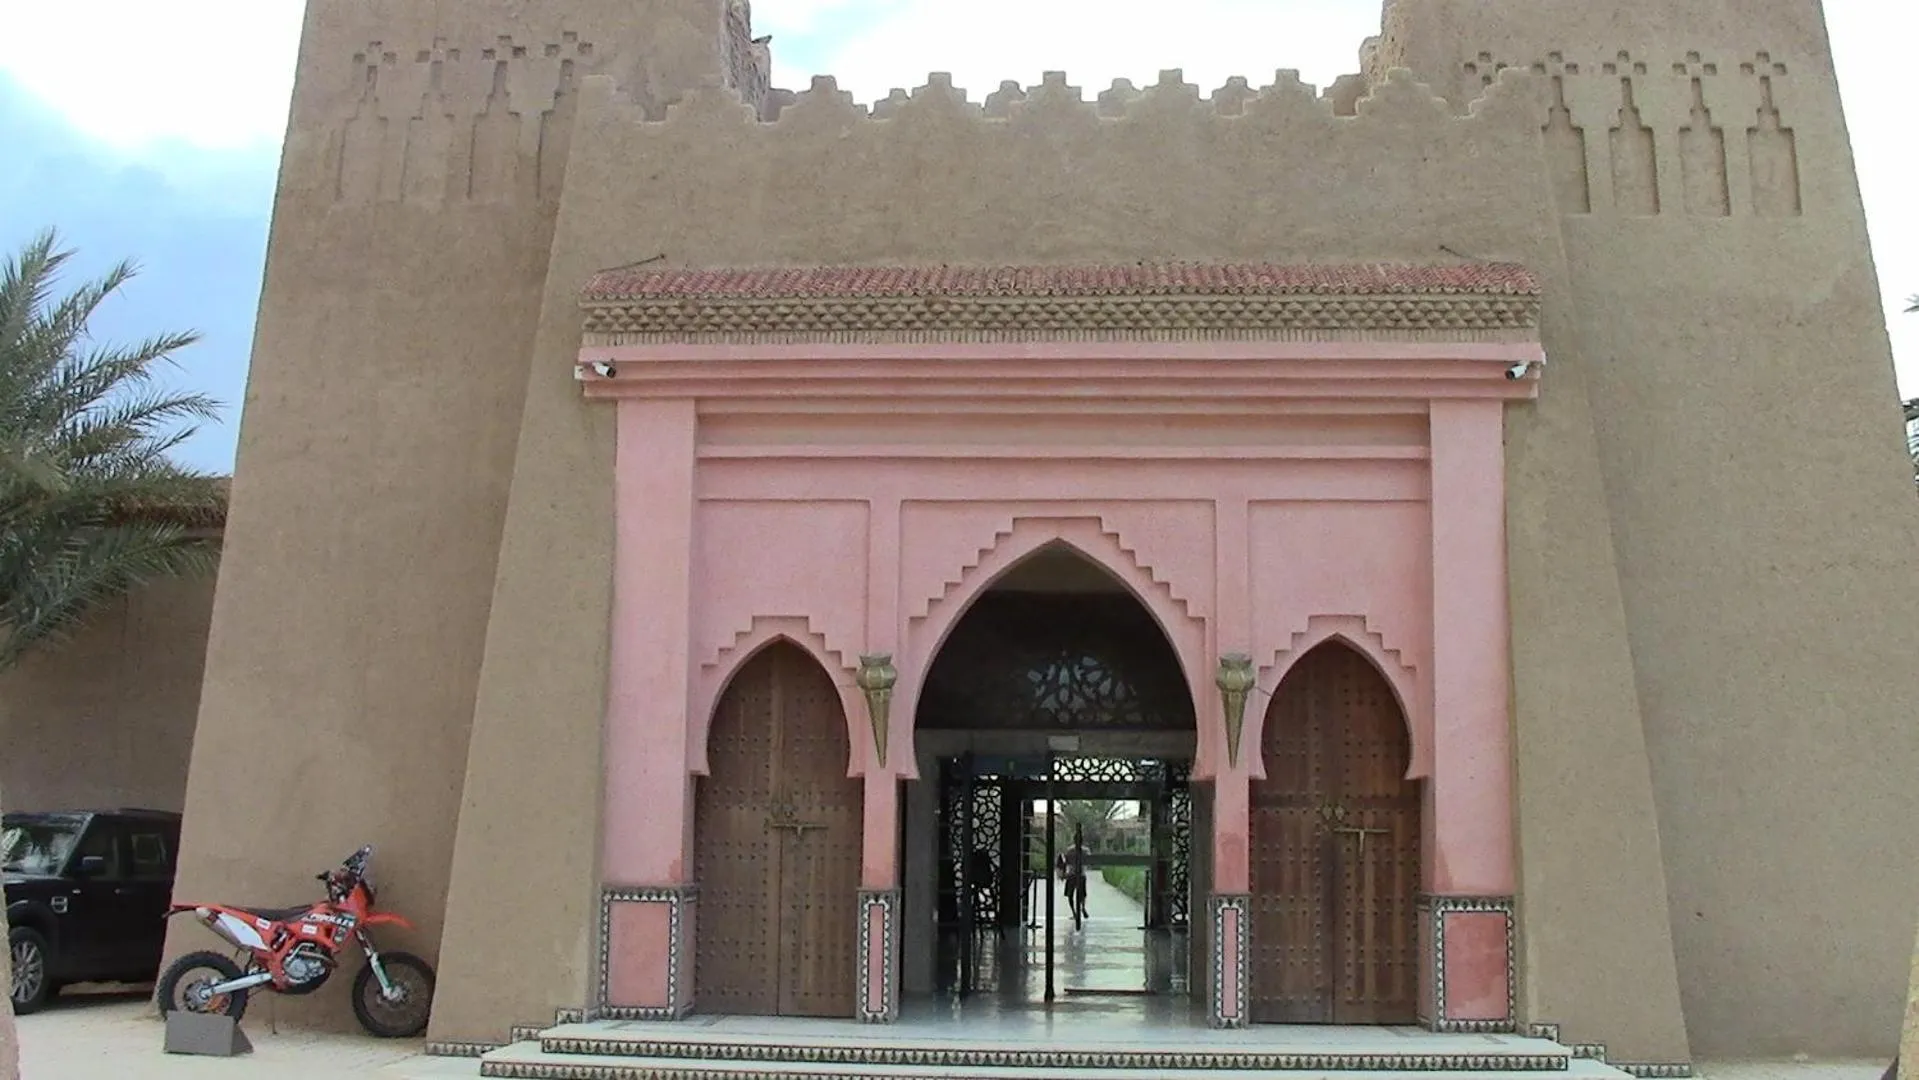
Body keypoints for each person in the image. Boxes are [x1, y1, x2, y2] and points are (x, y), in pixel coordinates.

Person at [1062, 825, 1089, 929]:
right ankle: (1082, 908)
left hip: (1072, 874)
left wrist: (1064, 873)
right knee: (1082, 894)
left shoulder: (1070, 850)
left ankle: (1074, 912)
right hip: (1081, 874)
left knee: (1070, 895)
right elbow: (1089, 862)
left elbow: (1065, 862)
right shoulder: (1086, 850)